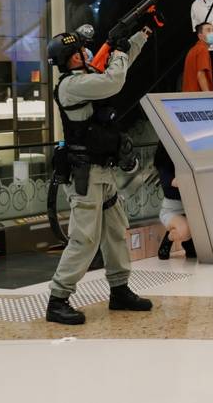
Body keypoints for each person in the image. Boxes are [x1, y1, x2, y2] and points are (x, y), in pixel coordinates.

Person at [44, 26, 155, 324]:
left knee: (116, 232)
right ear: (68, 59)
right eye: (78, 52)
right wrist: (117, 52)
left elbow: (121, 64)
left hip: (102, 171)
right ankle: (57, 299)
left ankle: (119, 291)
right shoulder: (71, 85)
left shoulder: (86, 77)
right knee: (84, 239)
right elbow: (114, 80)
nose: (84, 54)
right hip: (85, 176)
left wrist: (140, 36)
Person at [153, 143, 196, 260]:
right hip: (172, 212)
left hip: (191, 210)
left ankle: (188, 242)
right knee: (184, 230)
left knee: (193, 252)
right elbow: (177, 182)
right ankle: (169, 238)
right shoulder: (165, 165)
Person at [182, 22, 213, 92]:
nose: (212, 33)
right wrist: (208, 96)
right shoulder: (202, 49)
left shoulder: (194, 49)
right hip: (198, 97)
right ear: (200, 36)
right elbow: (201, 74)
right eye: (208, 30)